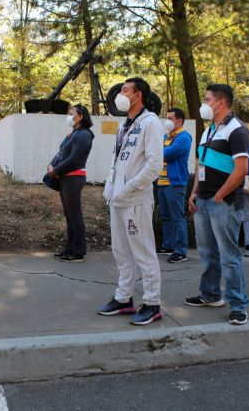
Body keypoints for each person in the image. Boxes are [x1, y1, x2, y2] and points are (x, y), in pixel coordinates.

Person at [99, 77, 164, 325]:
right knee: (121, 251)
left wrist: (128, 187)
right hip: (117, 199)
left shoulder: (151, 123)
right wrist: (109, 185)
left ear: (138, 95)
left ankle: (152, 302)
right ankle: (124, 298)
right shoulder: (124, 124)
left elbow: (154, 165)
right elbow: (116, 160)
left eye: (125, 90)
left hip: (136, 199)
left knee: (143, 252)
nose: (120, 93)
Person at [185, 83, 249, 325]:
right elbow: (200, 164)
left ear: (220, 103)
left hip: (225, 202)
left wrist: (220, 195)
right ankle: (210, 294)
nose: (204, 103)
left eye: (207, 99)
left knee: (229, 256)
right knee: (207, 252)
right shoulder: (209, 130)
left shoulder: (237, 130)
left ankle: (239, 305)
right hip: (203, 200)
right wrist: (194, 192)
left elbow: (242, 169)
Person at [49, 104, 95, 262]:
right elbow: (62, 153)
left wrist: (55, 170)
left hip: (73, 178)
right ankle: (69, 249)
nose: (69, 116)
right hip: (66, 177)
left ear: (80, 116)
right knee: (69, 215)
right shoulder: (74, 134)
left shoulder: (84, 134)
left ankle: (78, 252)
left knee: (75, 215)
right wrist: (52, 164)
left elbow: (74, 158)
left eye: (71, 113)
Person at [156, 107, 192, 263]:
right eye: (167, 117)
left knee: (177, 218)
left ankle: (180, 251)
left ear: (179, 121)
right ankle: (168, 245)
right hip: (162, 182)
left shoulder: (184, 137)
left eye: (170, 118)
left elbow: (165, 154)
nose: (167, 120)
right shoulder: (165, 136)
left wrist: (157, 150)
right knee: (165, 217)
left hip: (175, 184)